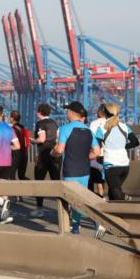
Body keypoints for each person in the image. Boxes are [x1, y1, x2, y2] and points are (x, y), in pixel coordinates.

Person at [54, 101, 101, 235]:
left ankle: (91, 220)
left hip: (70, 168)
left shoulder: (65, 129)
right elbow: (97, 152)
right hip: (85, 169)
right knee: (80, 197)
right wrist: (86, 157)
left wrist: (53, 152)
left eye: (67, 110)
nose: (66, 113)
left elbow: (59, 150)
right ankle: (77, 225)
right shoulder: (89, 130)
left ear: (72, 113)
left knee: (71, 198)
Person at [93, 102, 134, 202]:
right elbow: (135, 142)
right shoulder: (124, 127)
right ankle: (114, 214)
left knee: (116, 193)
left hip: (111, 165)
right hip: (125, 166)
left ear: (105, 113)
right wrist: (123, 146)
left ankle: (125, 199)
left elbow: (97, 147)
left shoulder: (102, 128)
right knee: (113, 190)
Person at [31, 103, 60, 218]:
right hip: (55, 155)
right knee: (57, 183)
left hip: (44, 155)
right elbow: (58, 138)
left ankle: (39, 209)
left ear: (39, 112)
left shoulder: (40, 123)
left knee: (39, 182)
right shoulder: (54, 123)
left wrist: (33, 141)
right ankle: (62, 209)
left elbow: (42, 139)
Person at [88, 110, 106, 198]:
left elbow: (91, 138)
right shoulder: (109, 122)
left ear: (98, 113)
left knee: (93, 177)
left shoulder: (93, 123)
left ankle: (96, 196)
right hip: (106, 154)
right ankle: (102, 195)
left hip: (95, 153)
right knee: (102, 177)